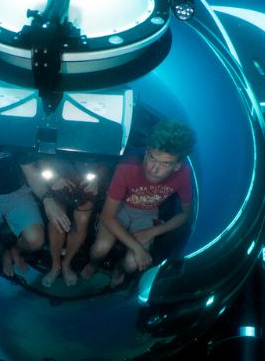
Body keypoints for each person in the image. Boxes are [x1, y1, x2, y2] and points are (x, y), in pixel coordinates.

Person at [0, 106, 69, 277]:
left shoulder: (9, 139)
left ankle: (16, 249)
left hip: (17, 192)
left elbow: (30, 173)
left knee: (36, 240)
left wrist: (48, 199)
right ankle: (4, 253)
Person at [81, 120, 195, 286]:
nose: (154, 169)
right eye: (152, 158)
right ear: (147, 151)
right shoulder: (128, 166)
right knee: (100, 249)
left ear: (176, 166)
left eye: (165, 164)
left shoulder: (184, 173)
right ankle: (93, 264)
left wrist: (152, 232)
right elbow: (108, 215)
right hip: (121, 206)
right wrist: (137, 247)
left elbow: (185, 214)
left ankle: (118, 269)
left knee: (132, 264)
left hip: (149, 211)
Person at [38, 158, 109, 287]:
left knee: (82, 220)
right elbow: (42, 156)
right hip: (57, 176)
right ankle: (55, 265)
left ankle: (66, 263)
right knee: (56, 220)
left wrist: (97, 177)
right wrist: (53, 177)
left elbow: (105, 160)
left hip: (87, 179)